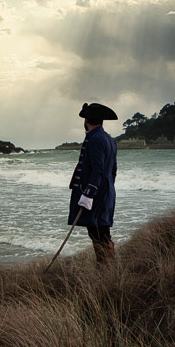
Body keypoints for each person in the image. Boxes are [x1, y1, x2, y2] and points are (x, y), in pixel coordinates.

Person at [68, 102, 118, 264]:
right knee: (102, 231)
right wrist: (107, 189)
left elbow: (98, 169)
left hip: (96, 195)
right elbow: (113, 171)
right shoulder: (109, 139)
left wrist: (89, 194)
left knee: (97, 232)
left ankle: (104, 267)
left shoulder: (95, 139)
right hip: (105, 192)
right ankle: (109, 266)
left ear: (86, 120)